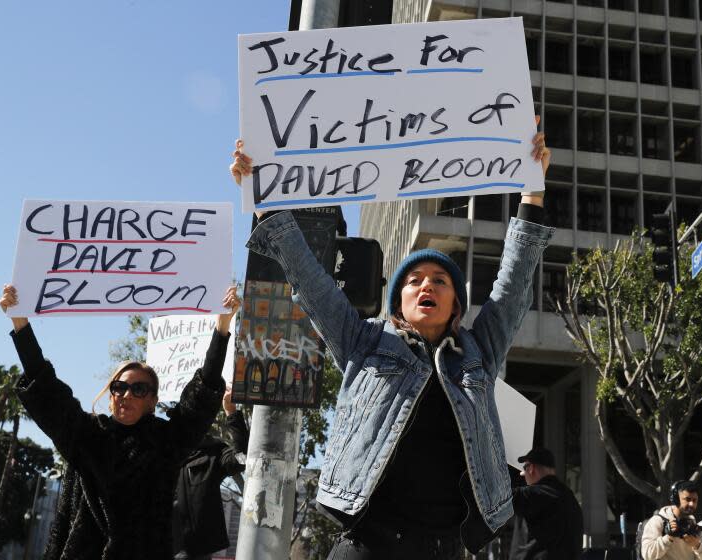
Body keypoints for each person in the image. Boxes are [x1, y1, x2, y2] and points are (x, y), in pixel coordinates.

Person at [229, 121, 556, 559]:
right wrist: (264, 204)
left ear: (455, 303)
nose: (427, 286)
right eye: (414, 280)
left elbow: (513, 284)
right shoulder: (363, 342)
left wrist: (531, 193)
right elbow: (311, 281)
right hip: (368, 544)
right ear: (397, 302)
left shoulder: (480, 352)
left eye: (440, 281)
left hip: (445, 549)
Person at [0, 284, 240, 560]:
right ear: (111, 394)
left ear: (152, 401)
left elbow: (201, 397)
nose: (127, 395)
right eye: (119, 387)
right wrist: (20, 324)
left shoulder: (166, 442)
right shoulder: (88, 434)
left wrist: (222, 327)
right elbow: (47, 392)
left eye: (139, 389)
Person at [172, 386, 249, 560]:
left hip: (196, 552)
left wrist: (231, 412)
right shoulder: (160, 449)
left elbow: (242, 457)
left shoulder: (213, 452)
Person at [508, 447, 583, 560]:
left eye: (524, 467)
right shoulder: (570, 497)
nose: (522, 473)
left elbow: (501, 499)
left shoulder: (536, 494)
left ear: (531, 468)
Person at [641, 480, 702, 560]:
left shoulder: (693, 526)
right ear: (676, 499)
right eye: (687, 499)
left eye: (694, 500)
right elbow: (647, 554)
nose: (691, 504)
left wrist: (697, 545)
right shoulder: (658, 521)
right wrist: (668, 538)